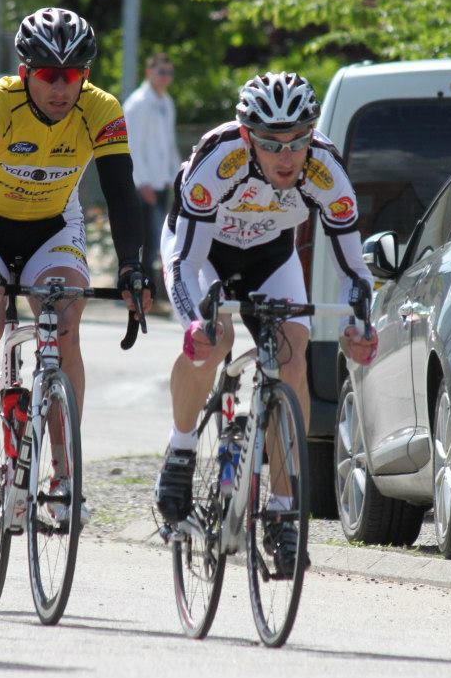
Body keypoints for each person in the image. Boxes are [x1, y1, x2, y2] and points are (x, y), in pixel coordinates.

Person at [154, 71, 379, 571]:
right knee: (215, 341)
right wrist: (196, 322)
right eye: (271, 144)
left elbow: (353, 268)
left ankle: (281, 513)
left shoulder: (325, 169)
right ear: (246, 137)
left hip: (270, 259)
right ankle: (181, 450)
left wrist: (360, 324)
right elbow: (183, 262)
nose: (287, 156)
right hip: (204, 254)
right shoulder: (220, 157)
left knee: (293, 357)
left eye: (298, 141)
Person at [0, 7, 152, 524]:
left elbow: (123, 195)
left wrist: (131, 268)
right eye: (49, 75)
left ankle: (62, 475)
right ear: (24, 72)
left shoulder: (101, 110)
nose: (61, 87)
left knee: (67, 323)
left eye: (73, 74)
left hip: (53, 226)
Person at [122, 53, 180, 300]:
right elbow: (131, 146)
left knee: (159, 241)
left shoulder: (166, 102)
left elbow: (168, 144)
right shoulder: (137, 104)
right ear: (149, 73)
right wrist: (142, 182)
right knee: (143, 241)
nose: (166, 78)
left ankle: (151, 292)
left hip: (162, 182)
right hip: (143, 184)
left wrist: (175, 175)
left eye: (169, 73)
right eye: (161, 72)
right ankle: (139, 291)